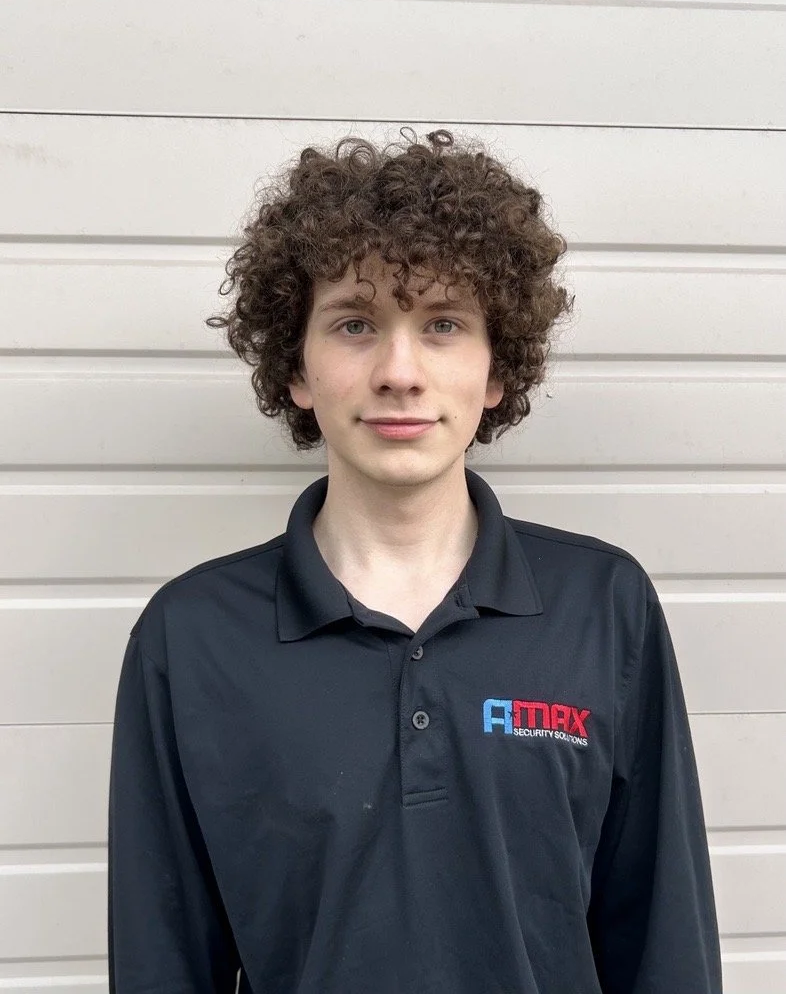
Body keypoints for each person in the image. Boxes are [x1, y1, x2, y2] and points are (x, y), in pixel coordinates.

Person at [107, 127, 722, 993]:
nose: (400, 371)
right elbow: (160, 959)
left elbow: (664, 943)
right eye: (355, 324)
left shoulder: (603, 604)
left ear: (496, 370)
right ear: (297, 368)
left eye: (443, 324)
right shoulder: (193, 635)